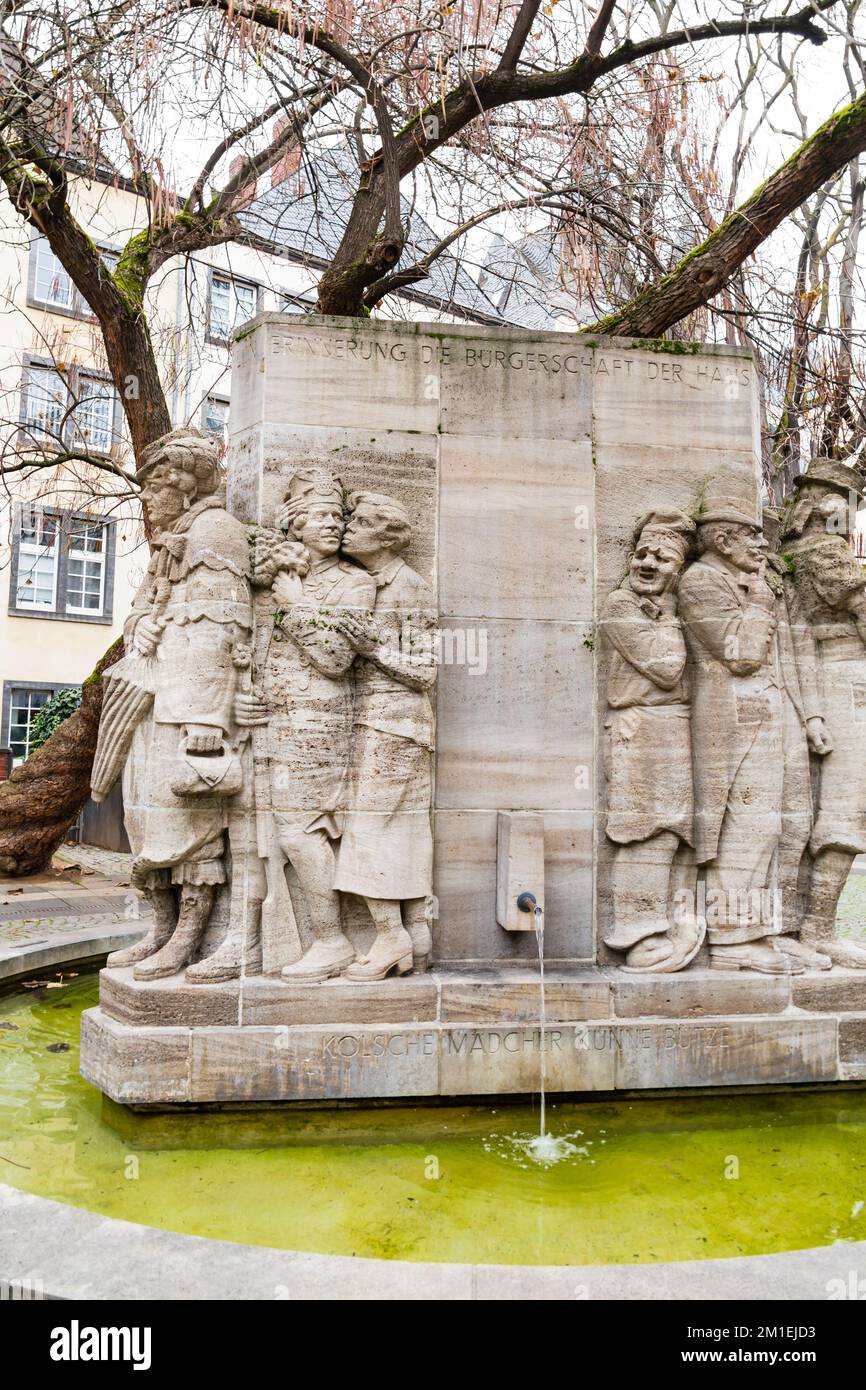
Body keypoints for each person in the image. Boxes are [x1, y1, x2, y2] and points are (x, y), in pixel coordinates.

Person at [92, 428, 252, 980]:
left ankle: (189, 936)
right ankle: (158, 928)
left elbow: (221, 632)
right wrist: (137, 627)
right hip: (150, 704)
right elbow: (140, 610)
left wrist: (206, 721)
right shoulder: (172, 540)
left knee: (189, 827)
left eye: (157, 485)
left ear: (185, 487)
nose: (147, 497)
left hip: (188, 715)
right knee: (147, 822)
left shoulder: (215, 533)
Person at [231, 467, 377, 983]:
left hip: (321, 723)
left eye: (339, 516)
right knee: (280, 832)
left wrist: (296, 606)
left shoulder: (355, 582)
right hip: (273, 724)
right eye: (321, 515)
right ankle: (260, 940)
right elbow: (252, 655)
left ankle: (332, 940)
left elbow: (336, 657)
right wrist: (242, 699)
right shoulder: (272, 579)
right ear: (294, 522)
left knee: (301, 830)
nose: (334, 524)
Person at [677, 507, 803, 973]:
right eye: (752, 536)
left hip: (764, 714)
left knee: (771, 826)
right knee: (743, 827)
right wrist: (761, 601)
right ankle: (731, 940)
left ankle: (761, 930)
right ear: (723, 541)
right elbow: (742, 654)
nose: (762, 545)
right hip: (731, 720)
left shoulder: (748, 582)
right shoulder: (700, 581)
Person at [332, 490, 438, 980]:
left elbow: (425, 669)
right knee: (382, 829)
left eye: (361, 521)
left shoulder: (409, 587)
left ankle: (392, 935)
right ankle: (412, 934)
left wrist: (368, 643)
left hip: (397, 725)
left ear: (388, 535)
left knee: (372, 830)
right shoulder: (367, 582)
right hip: (373, 719)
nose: (348, 527)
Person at [601, 509, 700, 972]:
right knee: (641, 829)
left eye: (661, 558)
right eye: (641, 554)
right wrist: (674, 616)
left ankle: (668, 922)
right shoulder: (622, 604)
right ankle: (637, 932)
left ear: (677, 569)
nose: (647, 563)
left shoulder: (665, 609)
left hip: (673, 725)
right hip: (639, 725)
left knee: (672, 830)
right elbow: (665, 667)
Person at [780, 456, 866, 967]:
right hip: (840, 687)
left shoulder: (801, 554)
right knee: (846, 810)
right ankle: (817, 927)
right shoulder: (824, 556)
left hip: (834, 686)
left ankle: (811, 925)